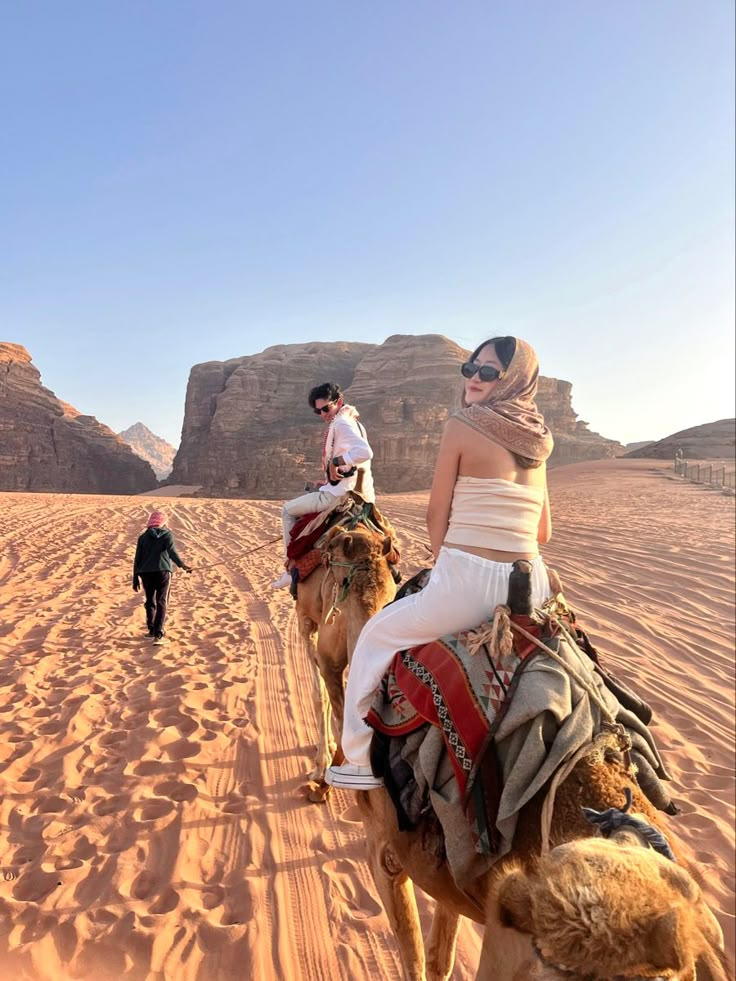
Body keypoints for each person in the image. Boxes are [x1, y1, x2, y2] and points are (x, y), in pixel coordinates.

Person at [326, 336, 554, 789]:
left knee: (374, 636)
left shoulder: (463, 424)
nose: (473, 377)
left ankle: (356, 761)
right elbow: (544, 532)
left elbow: (437, 515)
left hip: (469, 582)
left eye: (488, 372)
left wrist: (444, 566)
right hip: (533, 584)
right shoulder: (539, 442)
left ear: (510, 379)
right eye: (470, 367)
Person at [272, 382, 375, 589]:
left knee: (287, 510)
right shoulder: (355, 423)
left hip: (340, 495)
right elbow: (356, 462)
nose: (323, 414)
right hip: (360, 493)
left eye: (326, 408)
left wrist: (336, 463)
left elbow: (365, 453)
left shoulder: (341, 424)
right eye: (318, 411)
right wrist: (328, 478)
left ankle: (290, 568)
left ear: (338, 402)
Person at [132, 510, 192, 644]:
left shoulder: (142, 537)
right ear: (162, 522)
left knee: (150, 601)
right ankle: (159, 634)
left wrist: (135, 578)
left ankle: (151, 630)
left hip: (145, 573)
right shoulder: (167, 535)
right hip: (163, 571)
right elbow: (172, 553)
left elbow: (137, 559)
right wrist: (183, 566)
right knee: (161, 601)